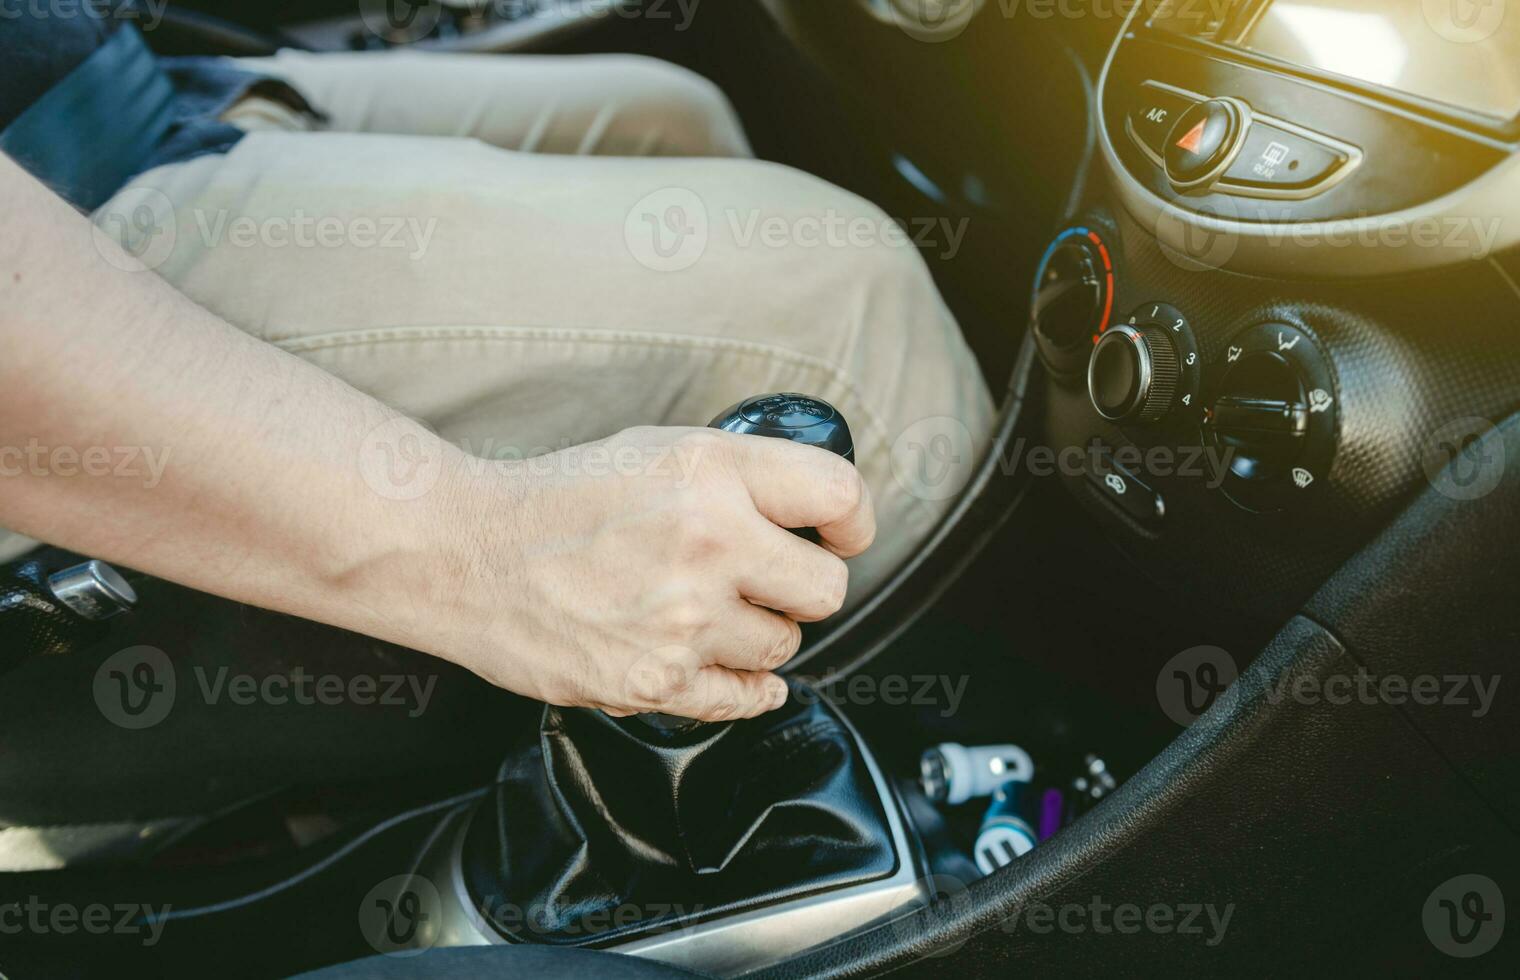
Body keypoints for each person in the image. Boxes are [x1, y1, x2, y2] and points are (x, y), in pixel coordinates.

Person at [0, 9, 994, 722]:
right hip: (55, 230)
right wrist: (481, 547)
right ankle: (990, 772)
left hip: (115, 84)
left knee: (664, 114)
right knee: (837, 297)